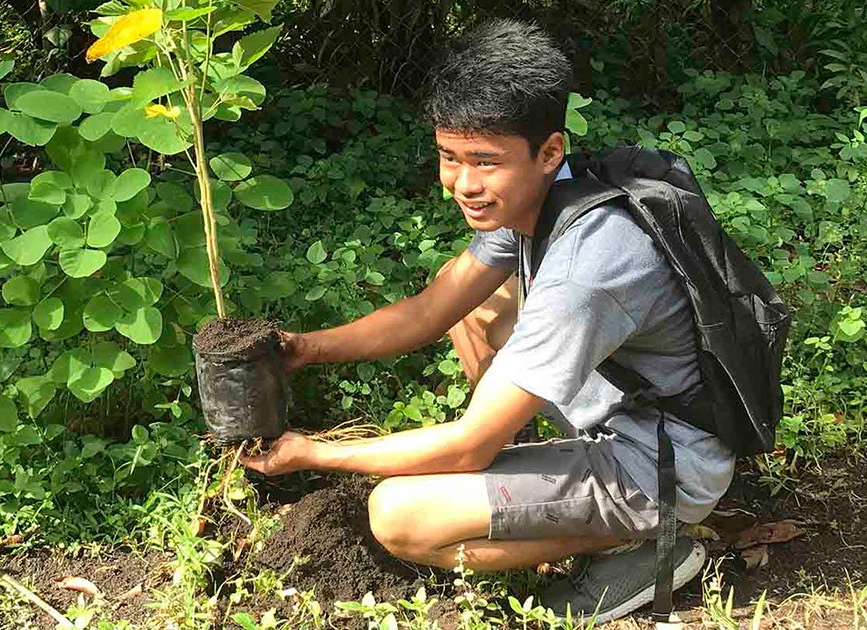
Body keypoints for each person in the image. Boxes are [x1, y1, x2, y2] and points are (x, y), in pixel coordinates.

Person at [238, 19, 730, 622]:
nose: (462, 185)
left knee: (400, 516)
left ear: (549, 152)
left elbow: (470, 445)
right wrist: (306, 348)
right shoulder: (544, 196)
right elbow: (430, 309)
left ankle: (647, 540)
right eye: (449, 157)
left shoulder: (588, 267)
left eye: (484, 162)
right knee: (474, 304)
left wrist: (311, 453)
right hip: (628, 411)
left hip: (662, 466)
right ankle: (530, 469)